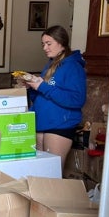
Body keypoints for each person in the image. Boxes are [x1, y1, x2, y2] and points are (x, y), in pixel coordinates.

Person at [25, 25, 86, 170]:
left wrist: (42, 87)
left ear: (61, 42)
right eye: (43, 44)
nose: (45, 48)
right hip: (42, 123)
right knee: (40, 173)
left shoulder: (73, 66)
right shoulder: (50, 65)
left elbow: (77, 99)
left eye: (49, 43)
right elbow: (43, 96)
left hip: (59, 125)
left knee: (52, 174)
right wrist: (31, 88)